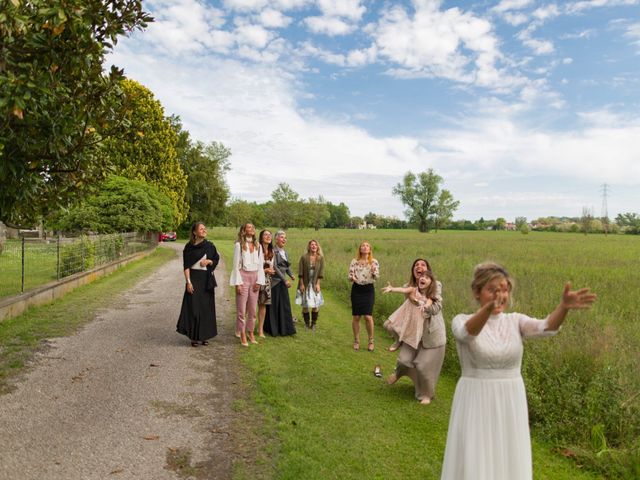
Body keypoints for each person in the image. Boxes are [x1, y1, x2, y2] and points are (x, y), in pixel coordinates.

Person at [440, 262, 597, 480]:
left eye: (504, 289)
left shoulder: (515, 321)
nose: (500, 295)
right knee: (476, 457)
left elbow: (546, 327)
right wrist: (487, 310)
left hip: (510, 400)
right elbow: (467, 334)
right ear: (477, 292)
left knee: (508, 459)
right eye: (493, 290)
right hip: (476, 399)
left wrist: (564, 308)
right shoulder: (462, 320)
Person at [386, 259, 445, 404]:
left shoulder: (436, 285)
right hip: (413, 332)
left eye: (423, 265)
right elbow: (409, 299)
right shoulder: (409, 287)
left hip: (430, 333)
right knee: (404, 360)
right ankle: (398, 373)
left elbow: (437, 306)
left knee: (423, 365)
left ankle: (426, 394)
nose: (419, 268)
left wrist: (426, 306)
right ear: (413, 271)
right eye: (416, 266)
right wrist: (393, 289)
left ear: (429, 273)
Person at [176, 222, 219, 347]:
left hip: (206, 281)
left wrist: (209, 261)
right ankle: (194, 337)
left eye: (205, 228)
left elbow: (216, 259)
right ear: (195, 232)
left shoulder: (210, 246)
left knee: (206, 309)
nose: (204, 230)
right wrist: (188, 282)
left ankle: (204, 336)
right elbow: (186, 267)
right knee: (194, 308)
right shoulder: (189, 247)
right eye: (201, 229)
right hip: (194, 280)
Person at [382, 269, 437, 351]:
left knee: (410, 335)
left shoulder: (430, 295)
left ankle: (406, 348)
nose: (423, 278)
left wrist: (425, 306)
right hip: (405, 312)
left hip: (416, 317)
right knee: (388, 326)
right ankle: (398, 341)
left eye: (427, 278)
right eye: (422, 277)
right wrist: (392, 289)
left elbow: (429, 302)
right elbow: (403, 289)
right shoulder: (413, 289)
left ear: (431, 283)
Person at [229, 223, 265, 347]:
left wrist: (259, 281)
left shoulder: (258, 246)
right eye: (248, 227)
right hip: (243, 277)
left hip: (255, 277)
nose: (251, 229)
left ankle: (251, 332)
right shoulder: (239, 245)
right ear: (243, 231)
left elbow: (260, 265)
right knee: (241, 309)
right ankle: (242, 333)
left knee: (252, 309)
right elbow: (235, 266)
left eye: (253, 228)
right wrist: (238, 283)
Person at [263, 230, 296, 337]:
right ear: (276, 239)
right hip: (275, 282)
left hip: (283, 282)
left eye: (285, 238)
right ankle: (272, 329)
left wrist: (291, 275)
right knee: (273, 306)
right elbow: (275, 267)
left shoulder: (284, 252)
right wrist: (285, 279)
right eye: (282, 237)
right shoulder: (273, 251)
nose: (284, 239)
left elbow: (287, 266)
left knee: (284, 305)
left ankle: (285, 328)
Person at [348, 241, 379, 352]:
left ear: (370, 250)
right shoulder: (354, 261)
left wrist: (374, 272)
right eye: (363, 246)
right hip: (356, 289)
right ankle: (356, 340)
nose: (365, 247)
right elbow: (350, 275)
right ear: (360, 249)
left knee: (367, 316)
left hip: (368, 290)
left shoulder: (374, 262)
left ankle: (371, 341)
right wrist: (352, 278)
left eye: (367, 246)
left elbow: (376, 277)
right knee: (356, 317)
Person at [297, 239, 325, 330]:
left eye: (315, 245)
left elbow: (321, 273)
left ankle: (313, 323)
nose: (313, 246)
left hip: (315, 283)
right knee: (305, 304)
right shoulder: (304, 257)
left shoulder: (320, 258)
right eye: (312, 244)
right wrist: (301, 284)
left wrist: (318, 284)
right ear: (309, 247)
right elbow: (300, 272)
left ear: (317, 247)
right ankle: (306, 323)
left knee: (316, 305)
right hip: (305, 283)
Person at [257, 229, 275, 339]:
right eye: (266, 235)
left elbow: (272, 267)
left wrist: (271, 271)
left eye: (269, 235)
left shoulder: (272, 252)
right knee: (250, 305)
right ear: (261, 237)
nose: (268, 236)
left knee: (263, 305)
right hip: (256, 279)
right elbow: (254, 267)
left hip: (267, 281)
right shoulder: (257, 249)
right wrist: (265, 271)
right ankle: (242, 329)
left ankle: (260, 330)